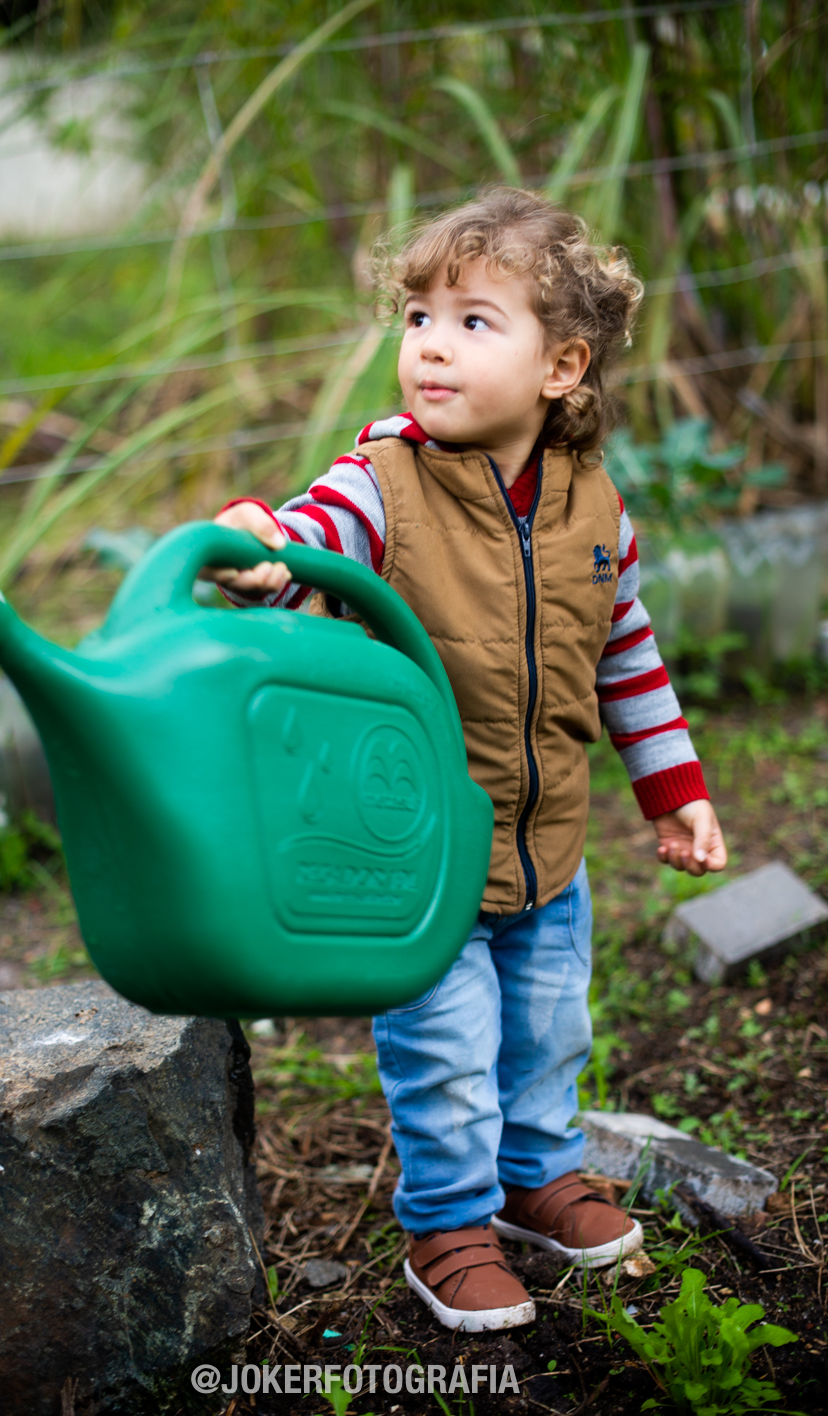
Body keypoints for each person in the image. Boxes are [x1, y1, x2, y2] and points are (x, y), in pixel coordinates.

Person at [202, 188, 727, 1333]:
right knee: (445, 1049)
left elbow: (624, 652)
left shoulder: (598, 508)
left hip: (551, 848)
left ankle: (540, 1177)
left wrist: (675, 790)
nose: (432, 343)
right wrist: (261, 546)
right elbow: (310, 537)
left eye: (474, 321)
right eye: (418, 317)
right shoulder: (383, 486)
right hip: (422, 851)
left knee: (548, 1026)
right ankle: (447, 1223)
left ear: (562, 365)